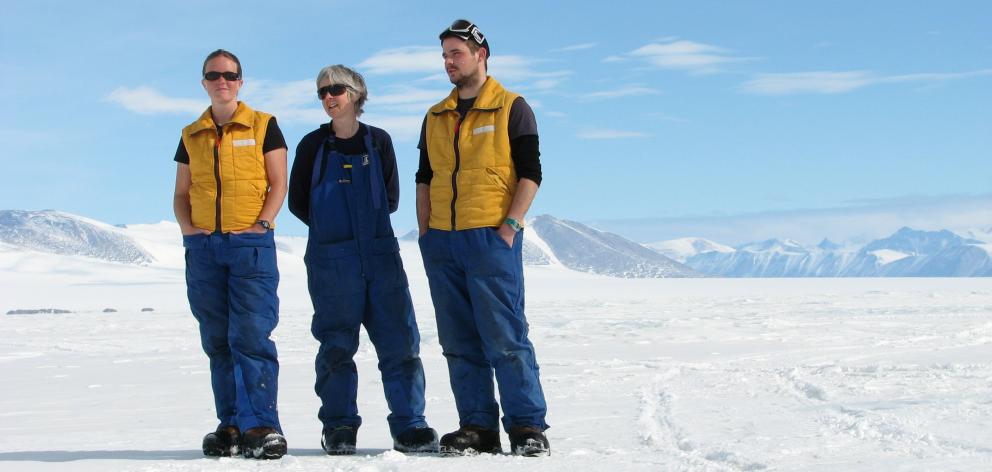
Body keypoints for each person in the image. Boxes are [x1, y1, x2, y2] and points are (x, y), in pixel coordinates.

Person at [288, 64, 439, 455]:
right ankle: (339, 427)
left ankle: (410, 425)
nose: (328, 97)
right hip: (331, 262)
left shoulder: (380, 142)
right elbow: (298, 203)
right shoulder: (311, 146)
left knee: (400, 343)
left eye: (335, 89)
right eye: (321, 92)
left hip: (380, 257)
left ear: (356, 93)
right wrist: (333, 237)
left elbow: (390, 199)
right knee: (336, 347)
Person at [416, 19, 550, 457]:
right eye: (444, 56)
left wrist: (509, 226)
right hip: (444, 243)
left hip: (491, 239)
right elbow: (425, 178)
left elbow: (531, 173)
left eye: (456, 53)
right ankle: (477, 426)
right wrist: (425, 233)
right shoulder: (435, 116)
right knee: (458, 340)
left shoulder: (512, 107)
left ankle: (527, 427)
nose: (449, 63)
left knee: (506, 337)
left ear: (481, 54)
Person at [172, 49, 288, 459]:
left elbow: (278, 183)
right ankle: (232, 424)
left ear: (241, 81)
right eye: (214, 75)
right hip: (205, 249)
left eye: (230, 75)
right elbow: (182, 192)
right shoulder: (191, 134)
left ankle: (261, 425)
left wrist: (262, 224)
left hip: (249, 247)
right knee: (218, 340)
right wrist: (189, 231)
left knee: (251, 336)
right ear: (203, 82)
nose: (222, 81)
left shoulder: (263, 125)